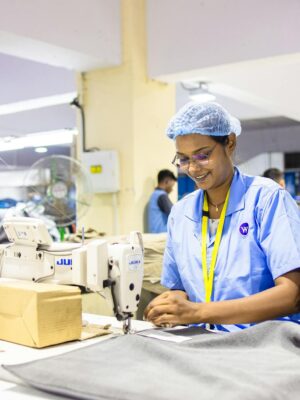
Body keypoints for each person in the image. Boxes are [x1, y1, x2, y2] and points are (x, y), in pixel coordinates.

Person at [144, 102, 300, 332]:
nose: (193, 169)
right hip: (201, 339)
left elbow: (292, 294)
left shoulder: (267, 200)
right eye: (184, 159)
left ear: (230, 142)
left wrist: (199, 312)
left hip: (263, 343)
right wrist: (170, 306)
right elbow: (179, 288)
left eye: (203, 156)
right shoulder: (181, 213)